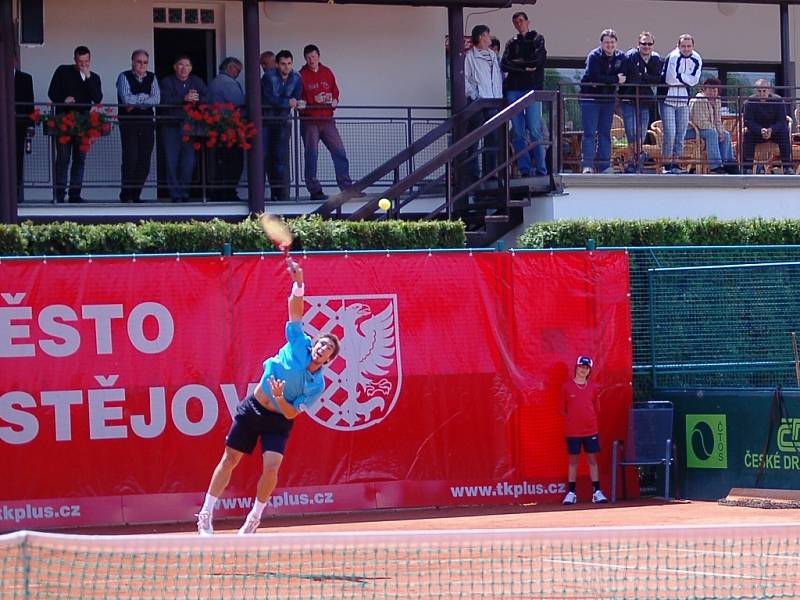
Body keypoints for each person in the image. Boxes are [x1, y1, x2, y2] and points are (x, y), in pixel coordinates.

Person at [196, 257, 341, 535]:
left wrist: (281, 397)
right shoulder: (299, 342)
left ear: (328, 360)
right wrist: (299, 282)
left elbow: (291, 414)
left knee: (272, 467)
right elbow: (295, 309)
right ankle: (205, 514)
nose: (321, 348)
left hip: (278, 420)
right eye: (321, 343)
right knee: (230, 459)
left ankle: (254, 518)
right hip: (253, 409)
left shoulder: (316, 385)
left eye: (327, 350)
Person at [47, 45, 103, 203]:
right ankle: (58, 195)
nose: (83, 65)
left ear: (89, 60)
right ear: (75, 59)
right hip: (64, 121)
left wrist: (88, 77)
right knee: (63, 159)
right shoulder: (62, 71)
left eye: (86, 62)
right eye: (80, 62)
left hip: (83, 123)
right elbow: (51, 92)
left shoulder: (94, 77)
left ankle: (75, 194)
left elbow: (97, 98)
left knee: (80, 159)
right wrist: (63, 100)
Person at [299, 44, 355, 201]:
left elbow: (335, 90)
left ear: (318, 56)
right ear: (305, 58)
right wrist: (312, 100)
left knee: (339, 152)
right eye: (308, 57)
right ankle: (314, 190)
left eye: (314, 57)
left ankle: (347, 187)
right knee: (312, 155)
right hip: (310, 121)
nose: (311, 60)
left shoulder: (327, 72)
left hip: (327, 119)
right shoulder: (301, 75)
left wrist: (335, 100)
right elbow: (298, 101)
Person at [500, 11, 548, 177]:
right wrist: (523, 66)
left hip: (533, 89)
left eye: (521, 21)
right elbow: (505, 64)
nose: (519, 24)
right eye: (516, 22)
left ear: (528, 21)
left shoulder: (537, 39)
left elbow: (538, 61)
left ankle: (542, 169)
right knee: (518, 133)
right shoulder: (511, 43)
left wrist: (518, 63)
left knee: (535, 130)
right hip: (514, 89)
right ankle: (525, 169)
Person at [159, 55, 207, 202]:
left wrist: (198, 99)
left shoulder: (197, 81)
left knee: (189, 161)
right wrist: (183, 99)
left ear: (191, 68)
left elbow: (208, 97)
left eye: (187, 65)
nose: (183, 68)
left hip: (190, 127)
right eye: (180, 65)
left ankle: (185, 193)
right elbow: (163, 100)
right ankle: (175, 195)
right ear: (174, 67)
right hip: (170, 126)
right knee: (171, 161)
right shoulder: (167, 81)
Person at [561, 355, 608, 505]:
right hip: (572, 432)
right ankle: (571, 493)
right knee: (573, 461)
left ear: (589, 371)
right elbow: (563, 410)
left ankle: (597, 492)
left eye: (586, 368)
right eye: (581, 367)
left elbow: (597, 408)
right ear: (576, 367)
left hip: (591, 430)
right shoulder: (566, 387)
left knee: (592, 460)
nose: (583, 370)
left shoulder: (594, 388)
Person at [579, 29, 626, 174]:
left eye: (612, 42)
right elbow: (594, 77)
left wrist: (608, 81)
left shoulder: (621, 57)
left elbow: (623, 77)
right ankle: (587, 165)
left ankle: (604, 166)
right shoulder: (594, 56)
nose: (609, 45)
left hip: (608, 100)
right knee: (589, 133)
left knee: (605, 133)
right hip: (590, 99)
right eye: (606, 42)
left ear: (616, 43)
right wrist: (614, 79)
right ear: (601, 43)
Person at [116, 49, 160, 203]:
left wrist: (137, 102)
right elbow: (127, 102)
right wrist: (143, 97)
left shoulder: (152, 77)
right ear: (133, 62)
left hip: (147, 124)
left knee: (145, 160)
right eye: (139, 62)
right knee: (131, 158)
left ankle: (136, 194)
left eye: (145, 62)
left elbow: (156, 99)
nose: (142, 65)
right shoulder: (124, 77)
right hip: (129, 124)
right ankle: (126, 194)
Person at [263, 50, 303, 202]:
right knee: (264, 157)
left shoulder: (297, 77)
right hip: (265, 120)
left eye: (289, 64)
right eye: (283, 64)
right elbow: (268, 97)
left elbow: (297, 97)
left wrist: (298, 103)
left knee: (280, 158)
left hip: (282, 121)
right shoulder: (268, 77)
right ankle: (266, 194)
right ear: (277, 65)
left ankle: (281, 194)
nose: (286, 67)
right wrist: (287, 102)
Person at [465, 25, 503, 184]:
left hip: (494, 102)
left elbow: (497, 78)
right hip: (478, 103)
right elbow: (464, 79)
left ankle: (490, 173)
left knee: (493, 138)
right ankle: (473, 174)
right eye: (488, 35)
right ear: (481, 37)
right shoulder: (469, 57)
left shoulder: (493, 56)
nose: (490, 38)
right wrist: (475, 96)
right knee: (474, 139)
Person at [619, 31, 662, 173]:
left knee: (641, 133)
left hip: (645, 101)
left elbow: (657, 79)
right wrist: (644, 77)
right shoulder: (631, 56)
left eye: (649, 44)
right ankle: (634, 160)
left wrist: (642, 75)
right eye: (644, 43)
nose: (646, 46)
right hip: (628, 99)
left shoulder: (655, 59)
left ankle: (635, 161)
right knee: (632, 132)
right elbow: (630, 77)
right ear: (638, 44)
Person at [660, 34, 702, 174]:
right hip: (668, 100)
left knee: (681, 133)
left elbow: (695, 80)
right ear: (678, 46)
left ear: (693, 46)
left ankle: (676, 163)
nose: (686, 49)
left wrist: (680, 77)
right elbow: (670, 79)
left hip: (684, 101)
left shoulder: (696, 58)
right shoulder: (673, 57)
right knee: (670, 133)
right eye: (683, 46)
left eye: (689, 46)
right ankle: (666, 164)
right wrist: (685, 79)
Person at [207, 57, 245, 201]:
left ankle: (218, 191)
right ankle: (228, 192)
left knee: (221, 161)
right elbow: (239, 102)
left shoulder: (214, 82)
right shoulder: (227, 83)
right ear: (230, 68)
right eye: (238, 71)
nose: (238, 74)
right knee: (234, 162)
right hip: (229, 128)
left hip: (216, 127)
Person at [741, 79, 793, 175]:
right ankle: (747, 168)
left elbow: (782, 121)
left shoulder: (778, 100)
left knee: (784, 133)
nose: (762, 94)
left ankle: (787, 167)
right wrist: (760, 130)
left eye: (764, 91)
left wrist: (771, 130)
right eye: (759, 91)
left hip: (774, 132)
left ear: (769, 90)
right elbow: (748, 121)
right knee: (747, 134)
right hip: (757, 132)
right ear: (755, 91)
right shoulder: (749, 102)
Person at [688, 78, 736, 174]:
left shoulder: (717, 101)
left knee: (726, 134)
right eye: (709, 89)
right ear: (703, 90)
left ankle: (728, 163)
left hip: (708, 128)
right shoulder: (699, 100)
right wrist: (716, 132)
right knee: (712, 134)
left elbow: (718, 120)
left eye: (715, 90)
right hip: (694, 129)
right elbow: (700, 122)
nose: (712, 92)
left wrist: (720, 132)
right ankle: (715, 166)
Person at [14, 61, 34, 203]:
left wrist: (31, 125)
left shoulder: (25, 78)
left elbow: (30, 103)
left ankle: (16, 194)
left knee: (17, 159)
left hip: (19, 125)